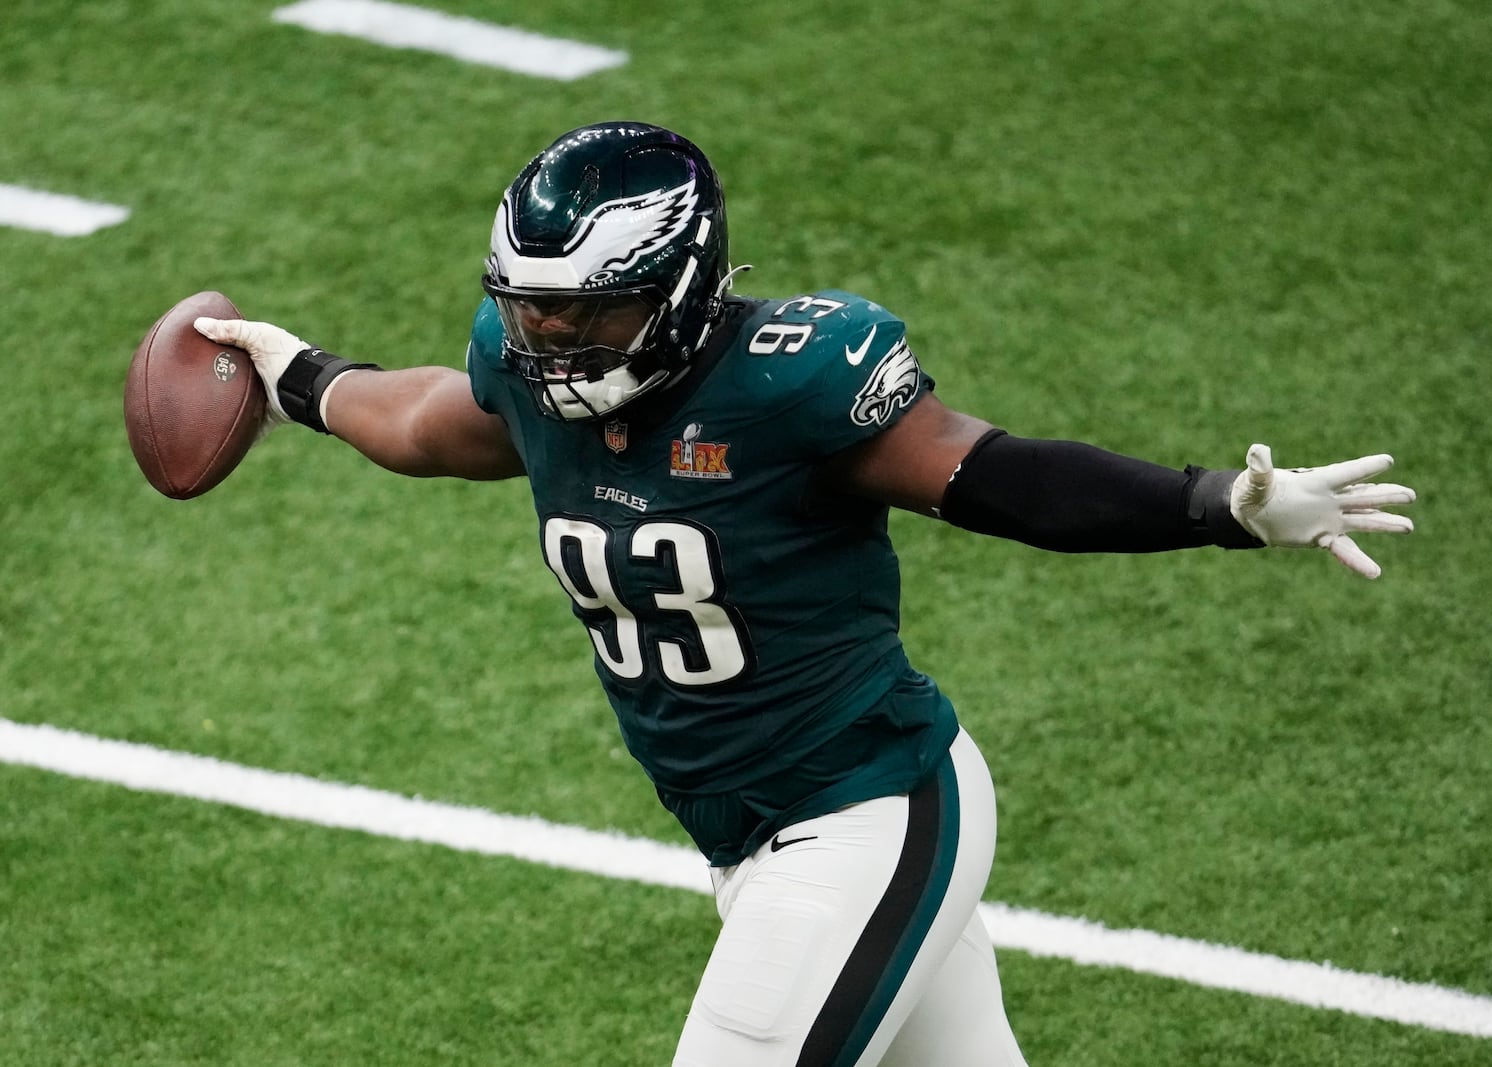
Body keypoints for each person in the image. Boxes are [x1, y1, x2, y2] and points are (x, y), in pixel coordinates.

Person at [195, 120, 1415, 1067]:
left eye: (587, 306)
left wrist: (1216, 505)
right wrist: (294, 371)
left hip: (868, 808)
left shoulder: (789, 380)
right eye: (531, 303)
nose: (551, 336)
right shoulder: (526, 370)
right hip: (753, 830)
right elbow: (424, 423)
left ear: (674, 285)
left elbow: (997, 479)